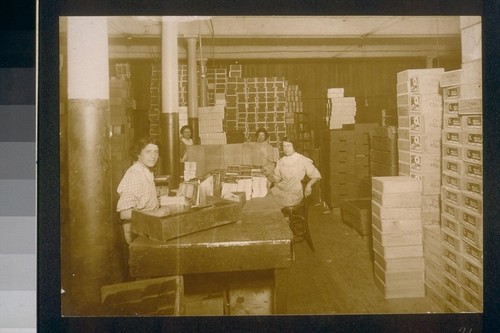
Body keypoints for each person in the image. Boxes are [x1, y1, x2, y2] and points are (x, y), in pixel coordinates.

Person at [116, 136, 171, 244]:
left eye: (156, 152)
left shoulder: (145, 170)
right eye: (148, 152)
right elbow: (125, 213)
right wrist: (155, 213)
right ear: (138, 154)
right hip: (138, 233)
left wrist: (156, 194)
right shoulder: (135, 174)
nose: (153, 156)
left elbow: (141, 195)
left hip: (148, 226)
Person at [268, 137, 321, 207]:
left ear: (294, 146)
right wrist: (267, 175)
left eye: (288, 146)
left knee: (279, 204)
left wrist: (309, 185)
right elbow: (277, 177)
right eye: (284, 146)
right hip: (282, 187)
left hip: (295, 191)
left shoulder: (302, 159)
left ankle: (287, 216)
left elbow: (316, 175)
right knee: (268, 200)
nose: (286, 149)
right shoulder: (281, 161)